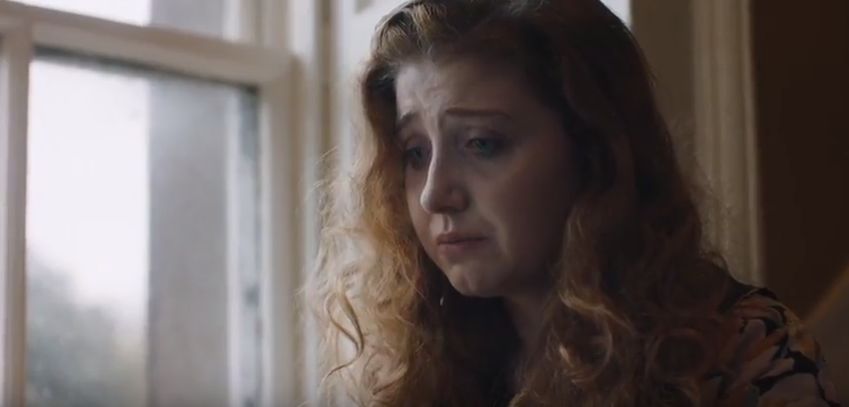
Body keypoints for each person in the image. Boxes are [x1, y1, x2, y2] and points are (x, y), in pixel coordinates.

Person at [306, 0, 840, 405]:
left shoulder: (739, 348)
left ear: (593, 153)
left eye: (482, 143)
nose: (434, 193)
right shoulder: (422, 362)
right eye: (415, 153)